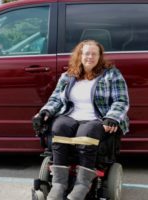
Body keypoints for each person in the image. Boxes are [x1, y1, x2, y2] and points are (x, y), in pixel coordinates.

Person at [34, 40, 129, 200]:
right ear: (80, 55)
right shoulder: (68, 76)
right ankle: (59, 184)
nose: (90, 57)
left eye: (94, 54)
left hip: (98, 119)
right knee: (59, 126)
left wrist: (112, 117)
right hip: (71, 116)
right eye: (86, 53)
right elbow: (56, 99)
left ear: (100, 57)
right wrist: (44, 112)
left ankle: (82, 185)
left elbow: (121, 100)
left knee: (87, 131)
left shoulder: (112, 74)